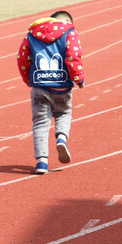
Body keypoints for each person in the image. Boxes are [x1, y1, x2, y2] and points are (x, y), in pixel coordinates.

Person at [16, 10, 85, 174]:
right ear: (66, 21)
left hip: (39, 85)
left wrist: (28, 79)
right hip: (62, 86)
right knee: (64, 113)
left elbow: (22, 58)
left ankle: (42, 162)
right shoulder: (70, 32)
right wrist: (79, 78)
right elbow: (74, 56)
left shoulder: (31, 34)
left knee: (40, 123)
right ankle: (61, 137)